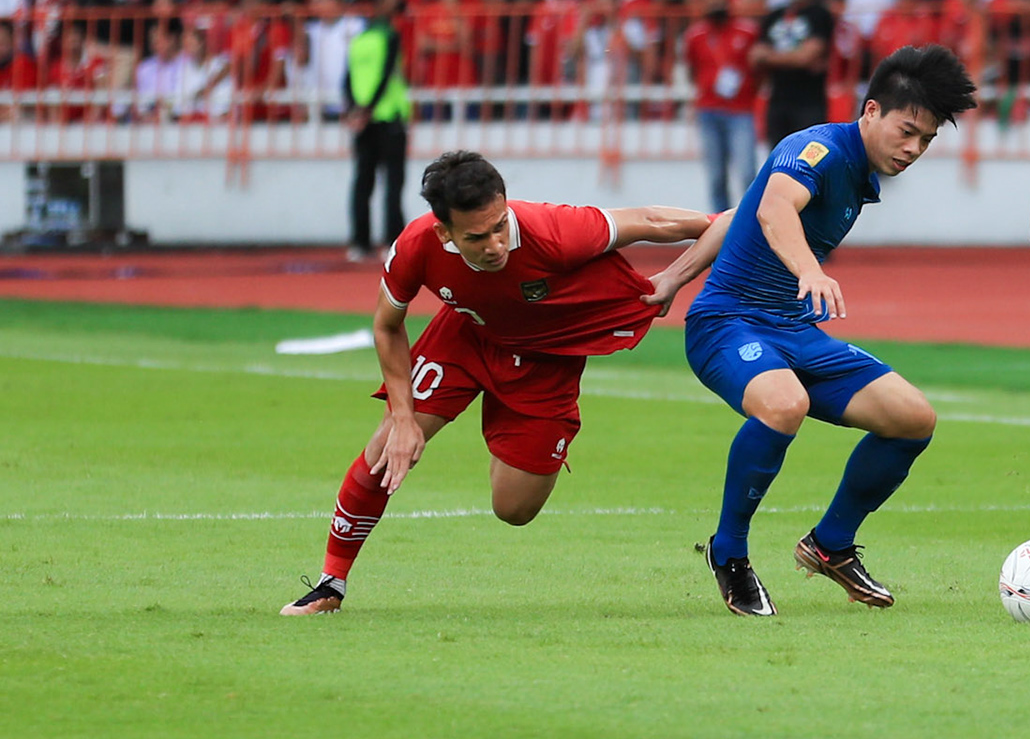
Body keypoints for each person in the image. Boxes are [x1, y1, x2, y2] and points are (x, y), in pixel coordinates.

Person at [280, 150, 730, 615]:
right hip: (467, 336)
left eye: (499, 226)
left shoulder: (553, 230)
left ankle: (510, 431)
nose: (495, 244)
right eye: (477, 237)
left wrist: (678, 273)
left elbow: (670, 220)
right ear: (444, 232)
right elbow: (386, 326)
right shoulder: (416, 246)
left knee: (514, 508)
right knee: (384, 449)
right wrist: (404, 417)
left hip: (547, 358)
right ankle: (330, 584)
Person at [683, 45, 977, 617]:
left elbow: (741, 211)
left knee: (913, 419)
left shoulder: (859, 170)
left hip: (794, 330)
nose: (913, 149)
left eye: (926, 140)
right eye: (907, 131)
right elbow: (772, 210)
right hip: (729, 322)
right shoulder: (816, 148)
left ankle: (830, 544)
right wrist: (810, 271)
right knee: (784, 404)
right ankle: (730, 552)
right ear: (871, 111)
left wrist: (673, 277)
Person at [344, 0, 412, 261]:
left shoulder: (358, 40)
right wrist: (370, 107)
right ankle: (393, 242)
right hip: (388, 115)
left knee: (363, 181)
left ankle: (359, 242)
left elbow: (347, 78)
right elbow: (386, 74)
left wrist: (356, 110)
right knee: (393, 182)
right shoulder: (390, 36)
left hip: (363, 119)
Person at [685, 0, 762, 212]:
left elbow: (759, 70)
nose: (715, 4)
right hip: (708, 110)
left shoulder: (748, 31)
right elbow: (692, 70)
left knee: (747, 173)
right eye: (710, 0)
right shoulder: (695, 36)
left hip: (740, 111)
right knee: (716, 177)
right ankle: (720, 226)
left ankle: (750, 224)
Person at [752, 0, 834, 144]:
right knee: (779, 155)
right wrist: (795, 57)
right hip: (777, 100)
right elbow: (756, 56)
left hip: (809, 102)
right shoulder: (774, 16)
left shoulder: (819, 14)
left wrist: (771, 57)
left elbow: (807, 57)